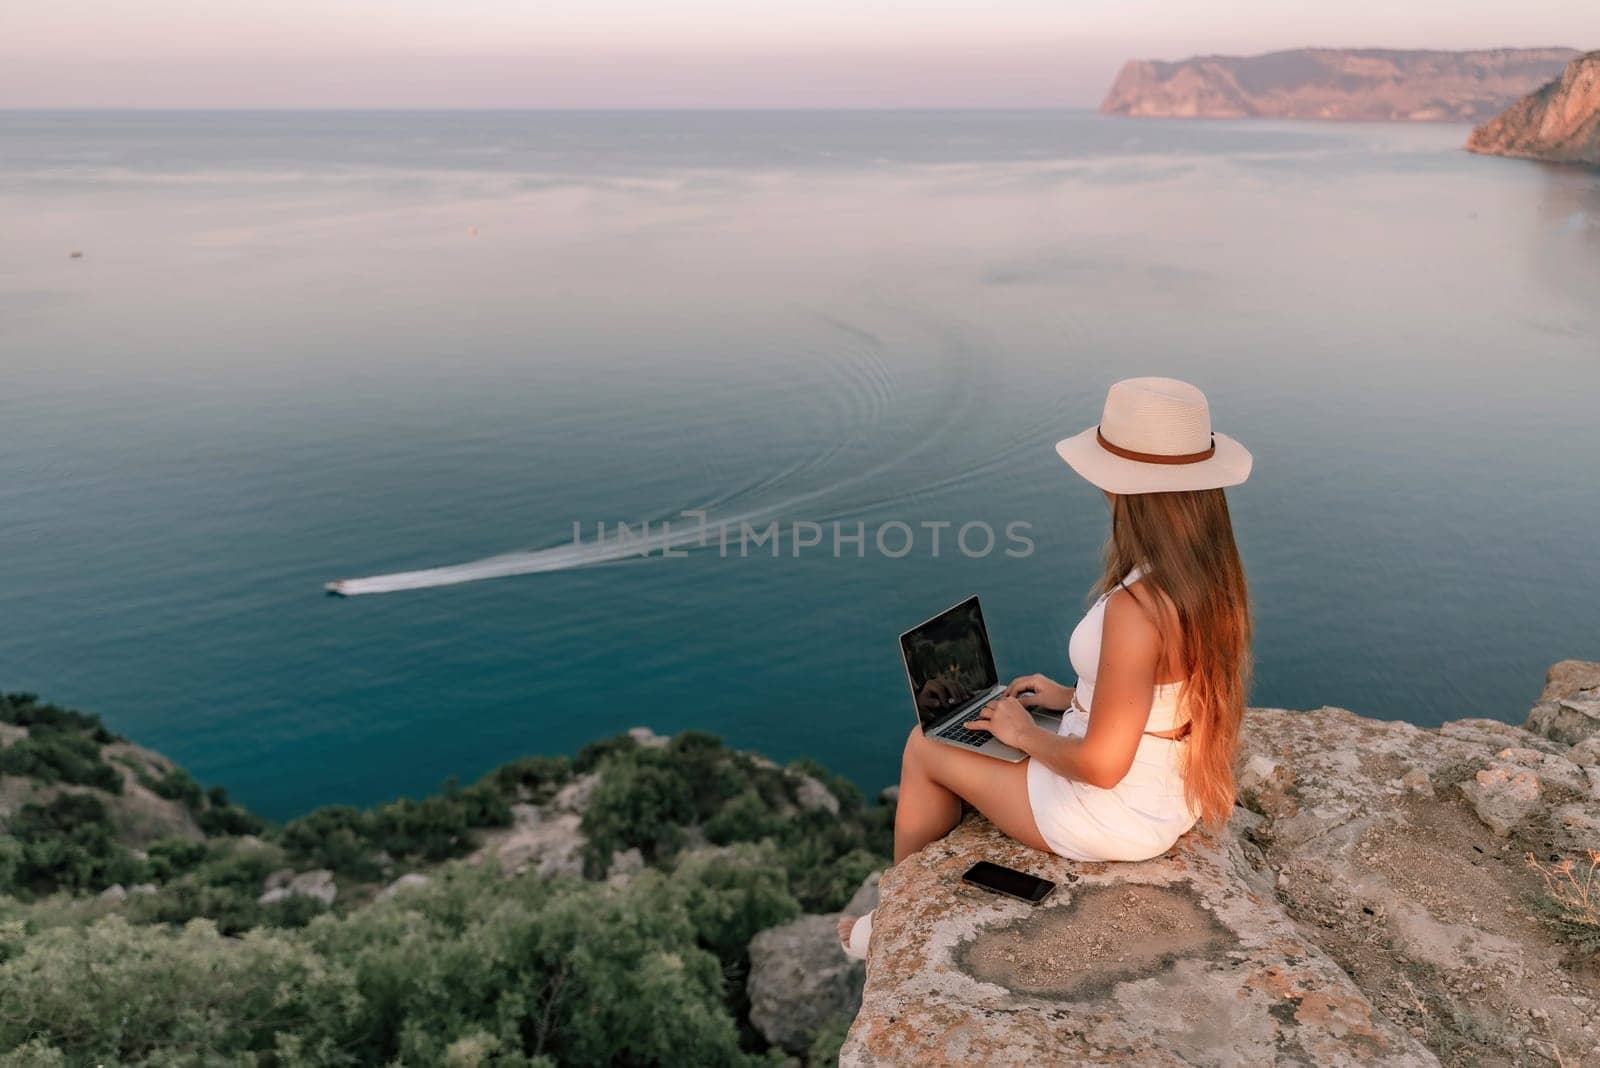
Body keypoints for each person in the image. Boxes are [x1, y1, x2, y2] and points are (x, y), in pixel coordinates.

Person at [840, 376, 1254, 959]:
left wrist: (1025, 735)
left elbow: (1103, 766)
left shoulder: (1139, 608)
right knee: (974, 733)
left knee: (925, 746)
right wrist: (1070, 697)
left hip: (1111, 811)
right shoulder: (1208, 574)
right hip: (1169, 794)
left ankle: (894, 913)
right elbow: (1165, 693)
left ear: (1123, 487)